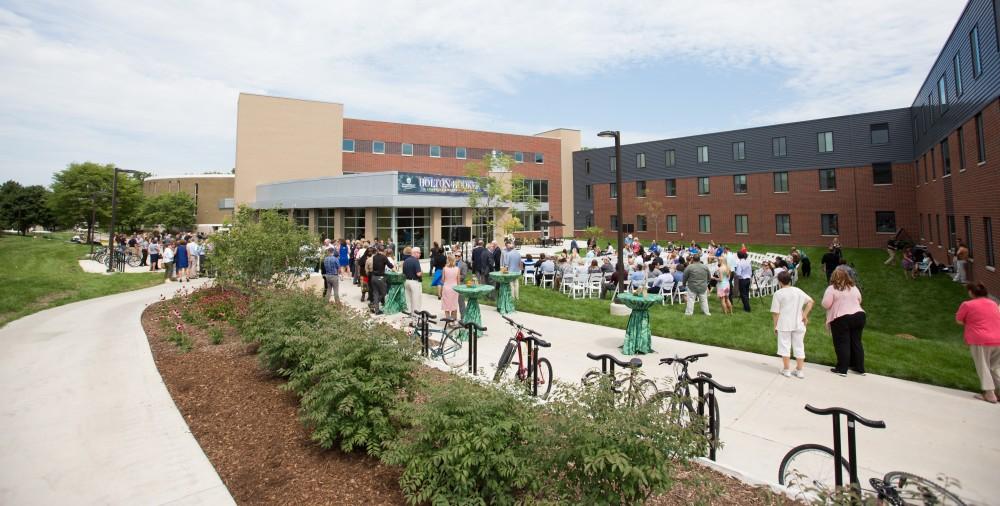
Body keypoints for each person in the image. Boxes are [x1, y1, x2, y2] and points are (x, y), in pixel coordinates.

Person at [955, 282, 1000, 403]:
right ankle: (997, 393)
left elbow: (959, 320)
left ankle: (990, 395)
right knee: (994, 368)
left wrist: (971, 323)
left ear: (971, 292)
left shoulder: (967, 305)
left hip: (980, 340)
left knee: (983, 367)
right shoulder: (993, 303)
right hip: (998, 340)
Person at [822, 269, 866, 377]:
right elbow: (860, 300)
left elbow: (826, 304)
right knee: (856, 342)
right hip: (859, 316)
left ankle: (842, 369)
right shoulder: (853, 287)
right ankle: (859, 368)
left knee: (842, 343)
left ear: (833, 277)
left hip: (842, 318)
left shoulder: (831, 289)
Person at [771, 271, 814, 378]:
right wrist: (804, 315)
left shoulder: (778, 294)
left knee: (785, 346)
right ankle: (799, 371)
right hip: (799, 323)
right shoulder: (798, 291)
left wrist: (775, 326)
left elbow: (775, 313)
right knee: (799, 346)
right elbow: (810, 302)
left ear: (780, 282)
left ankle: (786, 370)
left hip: (784, 323)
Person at [368, 246, 393, 314]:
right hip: (380, 277)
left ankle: (376, 310)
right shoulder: (384, 257)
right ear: (383, 250)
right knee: (383, 292)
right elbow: (390, 266)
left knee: (375, 293)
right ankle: (373, 304)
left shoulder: (374, 257)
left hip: (373, 277)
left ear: (378, 250)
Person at [440, 255, 461, 320]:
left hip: (446, 288)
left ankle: (448, 320)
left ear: (448, 260)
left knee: (446, 305)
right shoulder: (457, 269)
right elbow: (458, 281)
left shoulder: (444, 268)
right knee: (454, 305)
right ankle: (453, 320)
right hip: (454, 288)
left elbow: (442, 280)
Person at [403, 247, 423, 313]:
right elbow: (418, 274)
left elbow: (403, 273)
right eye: (419, 253)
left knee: (409, 300)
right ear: (415, 253)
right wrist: (422, 272)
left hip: (406, 281)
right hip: (414, 282)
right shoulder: (415, 261)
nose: (420, 254)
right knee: (416, 300)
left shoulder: (406, 261)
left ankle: (410, 314)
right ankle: (416, 315)